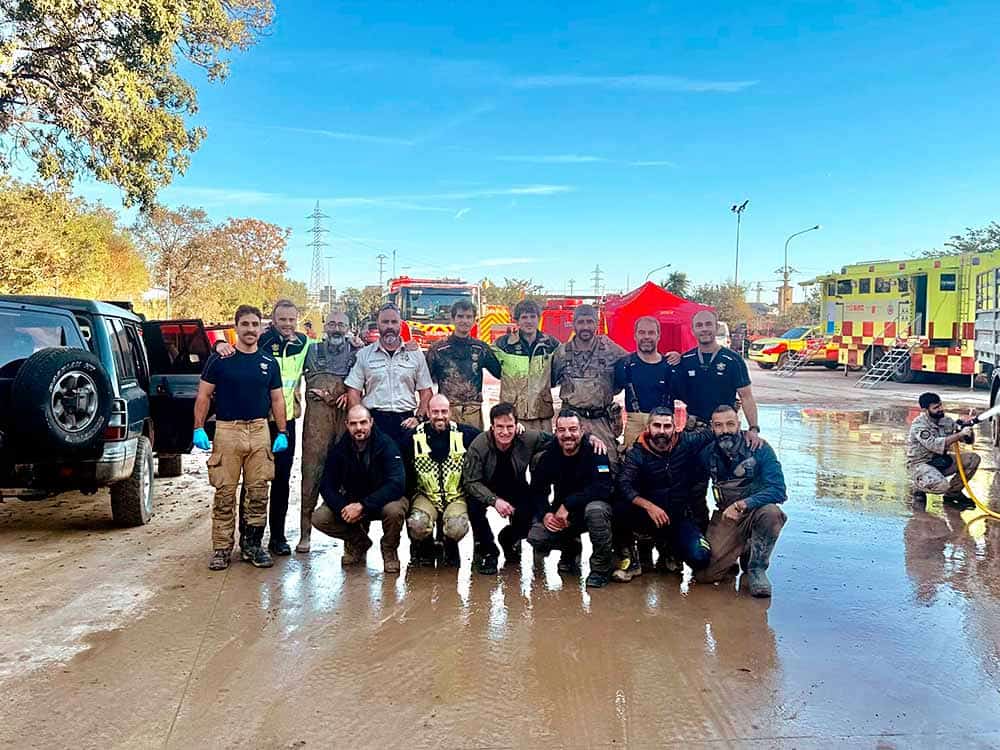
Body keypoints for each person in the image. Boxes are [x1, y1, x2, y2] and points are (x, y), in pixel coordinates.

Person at [193, 304, 289, 571]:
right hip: (227, 431)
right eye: (245, 324)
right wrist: (198, 427)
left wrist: (282, 432)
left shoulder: (269, 363)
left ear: (261, 328)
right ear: (236, 327)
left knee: (258, 492)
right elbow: (203, 395)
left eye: (254, 325)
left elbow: (277, 399)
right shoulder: (221, 359)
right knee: (225, 493)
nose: (250, 329)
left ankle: (252, 546)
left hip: (259, 431)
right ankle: (222, 549)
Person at [213, 299, 310, 557]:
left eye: (292, 319)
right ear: (273, 320)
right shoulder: (261, 341)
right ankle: (249, 540)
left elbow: (328, 358)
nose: (287, 324)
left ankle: (277, 537)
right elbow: (233, 347)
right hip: (257, 422)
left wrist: (354, 343)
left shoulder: (305, 344)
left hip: (284, 422)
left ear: (297, 320)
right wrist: (218, 344)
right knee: (253, 482)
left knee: (281, 480)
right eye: (282, 319)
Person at [673, 308, 762, 529]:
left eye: (708, 325)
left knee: (731, 488)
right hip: (695, 432)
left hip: (725, 433)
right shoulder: (686, 360)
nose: (704, 329)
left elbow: (747, 396)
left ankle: (730, 537)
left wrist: (753, 428)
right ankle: (701, 539)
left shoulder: (733, 360)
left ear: (716, 327)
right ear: (693, 330)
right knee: (693, 490)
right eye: (699, 326)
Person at [695, 404, 787, 598]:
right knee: (704, 575)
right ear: (712, 428)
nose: (725, 430)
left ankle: (756, 567)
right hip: (726, 516)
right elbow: (695, 493)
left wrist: (744, 504)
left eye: (730, 424)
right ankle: (740, 548)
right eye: (719, 425)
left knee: (772, 514)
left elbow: (778, 490)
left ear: (739, 424)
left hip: (755, 511)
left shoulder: (759, 448)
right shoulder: (707, 454)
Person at [615, 407, 715, 581]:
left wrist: (750, 432)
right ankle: (632, 558)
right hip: (646, 516)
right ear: (648, 427)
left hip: (678, 516)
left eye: (667, 426)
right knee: (617, 505)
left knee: (701, 557)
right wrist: (648, 506)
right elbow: (623, 484)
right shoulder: (637, 453)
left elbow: (715, 433)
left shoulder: (687, 442)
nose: (662, 431)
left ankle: (670, 550)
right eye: (657, 426)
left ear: (675, 427)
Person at [310, 405, 409, 572]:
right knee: (320, 517)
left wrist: (363, 505)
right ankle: (358, 542)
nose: (359, 428)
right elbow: (326, 485)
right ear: (347, 424)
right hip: (353, 500)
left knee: (395, 510)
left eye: (363, 422)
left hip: (382, 500)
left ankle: (389, 550)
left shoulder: (387, 445)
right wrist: (343, 507)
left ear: (371, 422)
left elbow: (397, 483)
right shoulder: (339, 449)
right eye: (354, 424)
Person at [527, 408, 616, 588]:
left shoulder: (596, 451)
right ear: (556, 432)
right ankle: (570, 550)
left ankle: (600, 569)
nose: (568, 435)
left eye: (573, 429)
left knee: (596, 512)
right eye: (562, 430)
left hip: (592, 508)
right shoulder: (550, 455)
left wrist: (569, 505)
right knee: (537, 536)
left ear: (582, 431)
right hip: (562, 515)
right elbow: (537, 490)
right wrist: (545, 514)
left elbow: (603, 487)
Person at [296, 312, 363, 553]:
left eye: (341, 325)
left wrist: (350, 394)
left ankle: (352, 542)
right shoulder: (310, 351)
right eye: (332, 324)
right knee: (311, 476)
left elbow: (365, 382)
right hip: (316, 422)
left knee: (349, 477)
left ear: (348, 328)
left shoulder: (357, 353)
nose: (336, 329)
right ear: (325, 326)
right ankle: (305, 534)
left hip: (345, 420)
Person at [403, 393, 480, 567]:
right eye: (435, 412)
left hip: (455, 497)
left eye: (444, 411)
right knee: (417, 523)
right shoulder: (413, 436)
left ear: (450, 412)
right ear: (428, 413)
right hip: (426, 496)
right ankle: (424, 547)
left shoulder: (465, 433)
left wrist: (517, 429)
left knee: (457, 526)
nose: (440, 416)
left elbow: (491, 438)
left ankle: (450, 546)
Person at [345, 303, 433, 450]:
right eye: (385, 322)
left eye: (394, 322)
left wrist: (418, 418)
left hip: (406, 422)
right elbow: (354, 391)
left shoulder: (415, 355)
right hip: (375, 422)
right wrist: (361, 421)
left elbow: (426, 392)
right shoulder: (364, 355)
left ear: (401, 324)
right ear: (378, 324)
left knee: (406, 470)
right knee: (374, 471)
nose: (390, 326)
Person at [551, 304, 627, 466]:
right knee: (568, 465)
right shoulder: (562, 353)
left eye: (590, 322)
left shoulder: (610, 348)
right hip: (571, 421)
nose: (585, 327)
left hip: (601, 419)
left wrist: (671, 358)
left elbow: (633, 364)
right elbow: (549, 380)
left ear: (596, 323)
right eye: (581, 322)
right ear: (574, 324)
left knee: (609, 463)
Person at [425, 299, 501, 429]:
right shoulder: (438, 349)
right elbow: (424, 383)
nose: (464, 321)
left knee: (473, 447)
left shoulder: (481, 348)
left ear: (474, 320)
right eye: (460, 316)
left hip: (473, 411)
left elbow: (500, 372)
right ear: (453, 318)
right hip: (446, 411)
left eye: (468, 317)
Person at [493, 299, 561, 432]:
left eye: (532, 316)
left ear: (538, 319)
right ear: (517, 321)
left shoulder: (551, 345)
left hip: (542, 416)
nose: (529, 321)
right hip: (513, 415)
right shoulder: (503, 345)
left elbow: (558, 371)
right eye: (524, 317)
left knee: (542, 452)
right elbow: (495, 370)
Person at [614, 316, 681, 449]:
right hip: (634, 428)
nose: (646, 337)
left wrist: (680, 357)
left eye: (651, 333)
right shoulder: (624, 365)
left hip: (664, 428)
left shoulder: (672, 365)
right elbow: (610, 391)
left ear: (658, 336)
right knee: (631, 465)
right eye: (642, 332)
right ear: (635, 335)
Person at [906, 392, 979, 510]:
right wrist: (960, 433)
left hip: (940, 461)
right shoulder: (919, 425)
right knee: (942, 486)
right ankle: (918, 487)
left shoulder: (946, 421)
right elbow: (934, 445)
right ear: (925, 410)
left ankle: (953, 494)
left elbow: (968, 441)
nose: (940, 409)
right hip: (921, 464)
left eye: (940, 405)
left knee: (973, 459)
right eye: (936, 408)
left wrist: (967, 428)